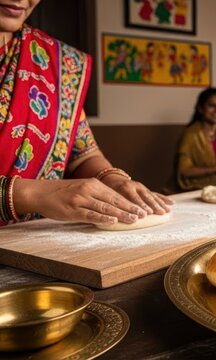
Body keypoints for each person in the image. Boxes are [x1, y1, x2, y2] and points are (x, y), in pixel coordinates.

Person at [0, 1, 173, 228]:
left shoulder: (59, 63)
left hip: (31, 246)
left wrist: (112, 179)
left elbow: (83, 154)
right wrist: (31, 195)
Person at [174, 87, 216, 191]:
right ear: (201, 109)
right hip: (195, 189)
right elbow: (185, 171)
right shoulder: (190, 134)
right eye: (212, 106)